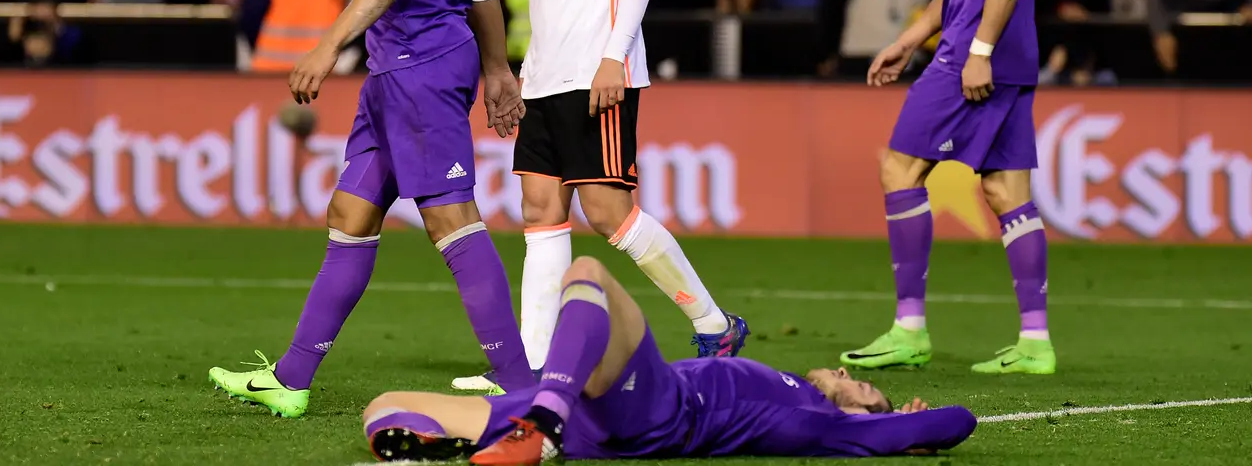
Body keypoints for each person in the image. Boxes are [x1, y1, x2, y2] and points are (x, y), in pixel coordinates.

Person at [207, 0, 535, 418]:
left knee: (449, 217)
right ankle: (293, 381)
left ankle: (524, 385)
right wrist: (497, 64)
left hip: (419, 58)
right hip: (400, 65)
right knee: (350, 214)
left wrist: (327, 46)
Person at [452, 0, 748, 396]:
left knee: (609, 212)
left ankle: (714, 321)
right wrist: (520, 75)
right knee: (539, 209)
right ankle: (526, 370)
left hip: (598, 69)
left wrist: (615, 55)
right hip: (546, 74)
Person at [841, 0, 1053, 375]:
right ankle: (1035, 343)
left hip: (974, 52)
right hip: (1010, 52)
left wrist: (977, 51)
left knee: (898, 168)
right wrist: (909, 39)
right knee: (1006, 190)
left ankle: (909, 329)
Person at [365, 256, 978, 464]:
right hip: (593, 422)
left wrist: (899, 430)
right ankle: (458, 446)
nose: (848, 374)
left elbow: (957, 421)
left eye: (864, 388)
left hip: (658, 409)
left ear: (865, 417)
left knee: (587, 273)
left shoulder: (824, 422)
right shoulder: (810, 399)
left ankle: (540, 428)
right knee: (387, 406)